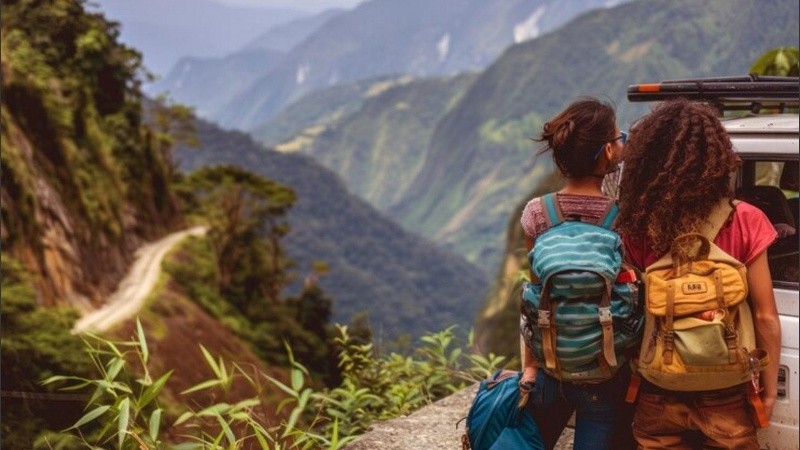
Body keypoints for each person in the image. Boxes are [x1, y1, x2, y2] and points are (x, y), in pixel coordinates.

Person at [616, 98, 781, 449]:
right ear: (717, 158)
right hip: (727, 394)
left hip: (659, 389)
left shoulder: (639, 227)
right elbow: (766, 316)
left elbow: (631, 314)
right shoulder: (747, 219)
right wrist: (766, 390)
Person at [519, 97, 636, 450]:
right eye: (619, 139)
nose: (622, 145)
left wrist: (530, 369)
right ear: (606, 153)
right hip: (607, 371)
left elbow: (537, 293)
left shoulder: (537, 214)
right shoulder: (623, 217)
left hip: (551, 367)